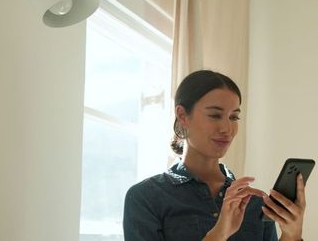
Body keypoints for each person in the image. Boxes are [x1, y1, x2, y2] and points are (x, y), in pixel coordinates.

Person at [123, 70, 307, 241]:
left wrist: (292, 234)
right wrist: (219, 233)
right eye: (215, 115)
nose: (226, 129)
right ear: (182, 115)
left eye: (234, 117)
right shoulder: (145, 197)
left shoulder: (254, 203)